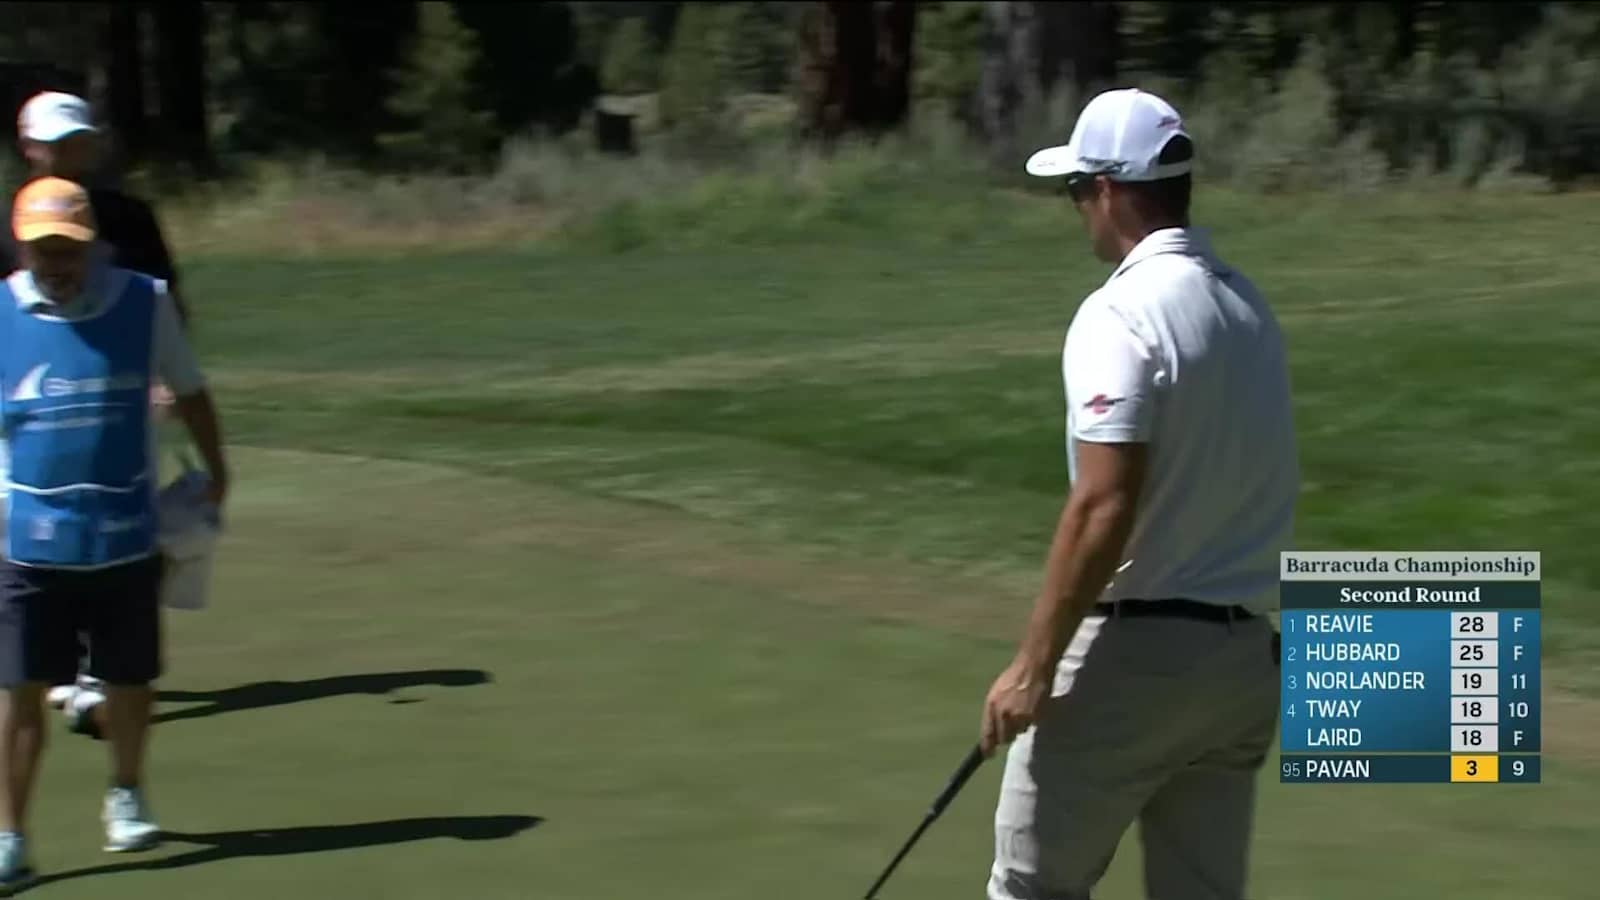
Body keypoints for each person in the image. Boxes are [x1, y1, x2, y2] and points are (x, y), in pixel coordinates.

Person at [978, 88, 1298, 900]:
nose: (1078, 208)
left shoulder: (1120, 312)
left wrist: (1031, 666)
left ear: (1111, 191)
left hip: (1135, 661)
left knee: (1031, 886)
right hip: (1243, 665)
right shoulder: (1247, 306)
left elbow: (1102, 504)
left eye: (1078, 190)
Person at [0, 177, 228, 888]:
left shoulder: (143, 302)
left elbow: (189, 389)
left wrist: (218, 469)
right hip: (28, 541)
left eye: (67, 249)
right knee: (21, 689)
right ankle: (10, 834)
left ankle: (126, 792)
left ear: (92, 244)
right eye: (42, 251)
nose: (56, 264)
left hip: (125, 532)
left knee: (129, 681)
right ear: (21, 248)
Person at [5, 91, 192, 727]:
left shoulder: (127, 215)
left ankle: (95, 673)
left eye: (76, 139)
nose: (66, 152)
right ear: (28, 146)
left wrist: (167, 377)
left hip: (119, 396)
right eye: (53, 142)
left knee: (122, 525)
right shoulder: (10, 221)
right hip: (31, 406)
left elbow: (167, 299)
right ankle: (55, 662)